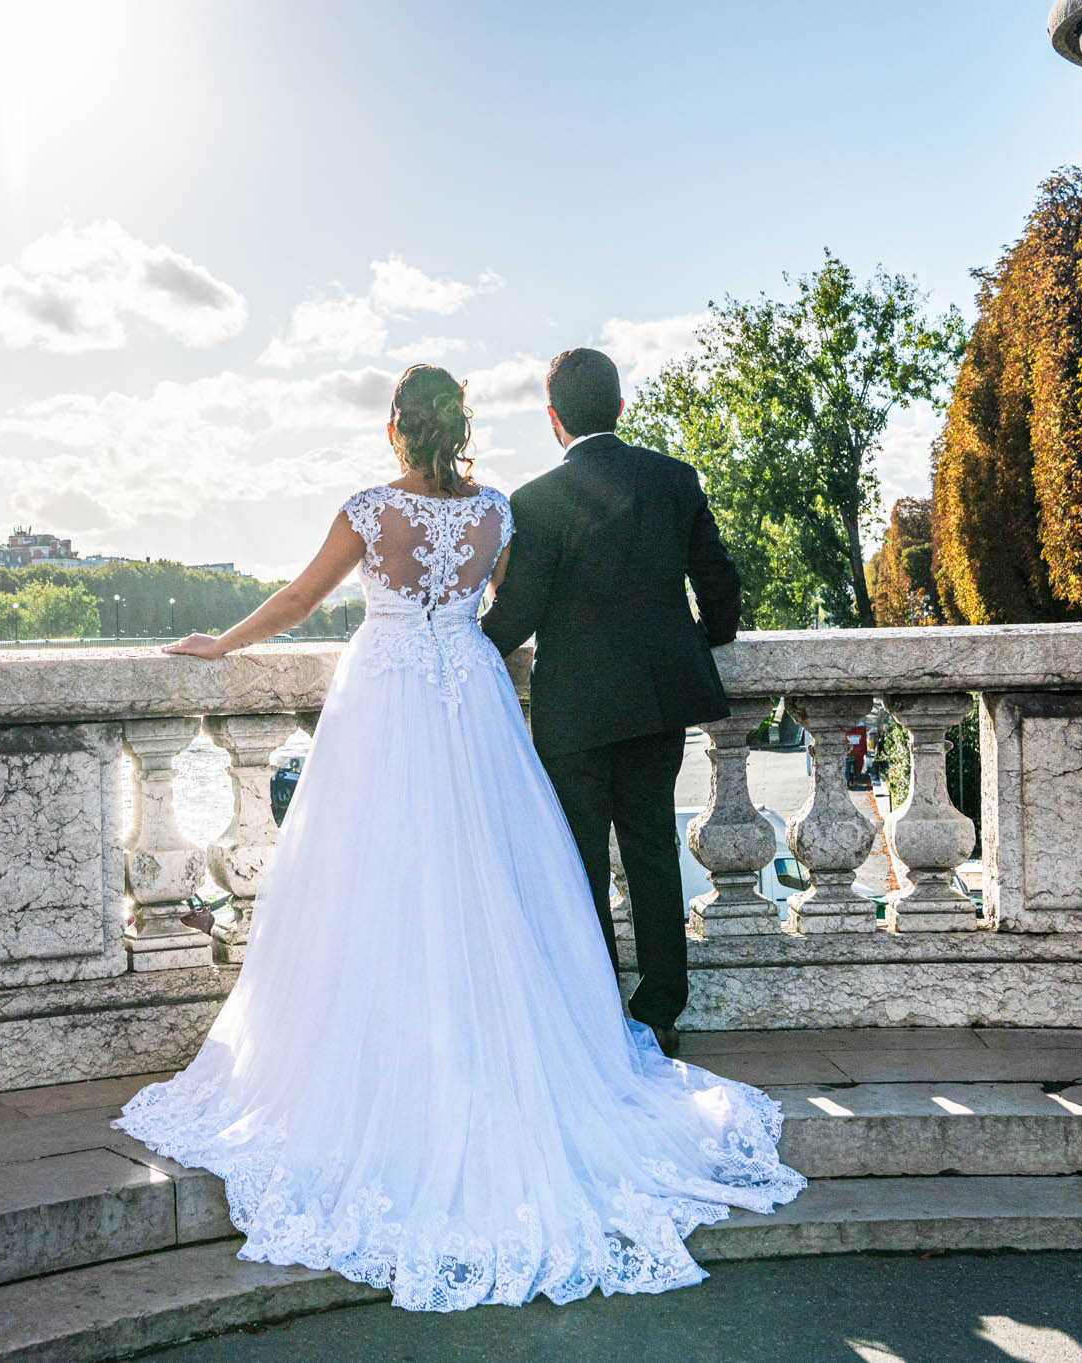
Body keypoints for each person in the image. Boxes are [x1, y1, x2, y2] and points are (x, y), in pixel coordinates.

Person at [114, 364, 801, 1312]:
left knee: (378, 874)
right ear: (462, 426)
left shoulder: (369, 509)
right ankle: (594, 1023)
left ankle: (400, 1046)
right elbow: (511, 616)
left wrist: (220, 644)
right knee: (501, 873)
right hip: (470, 691)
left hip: (387, 697)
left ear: (398, 428)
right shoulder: (496, 515)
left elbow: (299, 602)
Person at [480, 348, 742, 1056]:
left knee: (581, 865)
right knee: (653, 851)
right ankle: (660, 1010)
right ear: (621, 407)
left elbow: (517, 620)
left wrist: (458, 639)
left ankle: (597, 1010)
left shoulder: (534, 501)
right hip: (658, 701)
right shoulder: (673, 479)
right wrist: (705, 638)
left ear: (553, 419)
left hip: (574, 713)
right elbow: (721, 584)